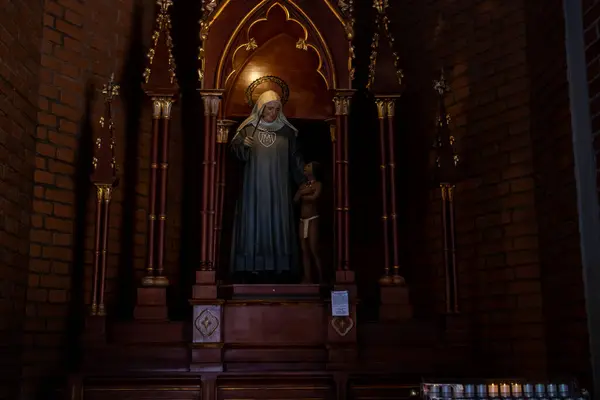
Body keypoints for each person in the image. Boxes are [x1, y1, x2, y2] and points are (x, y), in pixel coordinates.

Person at [229, 90, 306, 283]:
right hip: (253, 190)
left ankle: (279, 267)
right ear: (261, 108)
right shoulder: (248, 129)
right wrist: (242, 146)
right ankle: (251, 267)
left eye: (276, 109)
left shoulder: (287, 133)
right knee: (254, 223)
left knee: (278, 223)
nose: (272, 112)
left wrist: (305, 181)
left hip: (278, 190)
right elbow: (234, 154)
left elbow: (296, 160)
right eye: (269, 108)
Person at [294, 161, 323, 284]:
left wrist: (303, 194)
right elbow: (295, 199)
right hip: (302, 219)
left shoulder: (318, 184)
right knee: (304, 249)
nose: (305, 167)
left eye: (308, 166)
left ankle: (321, 277)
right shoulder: (303, 186)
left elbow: (315, 197)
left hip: (313, 219)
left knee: (313, 248)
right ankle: (307, 277)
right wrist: (303, 193)